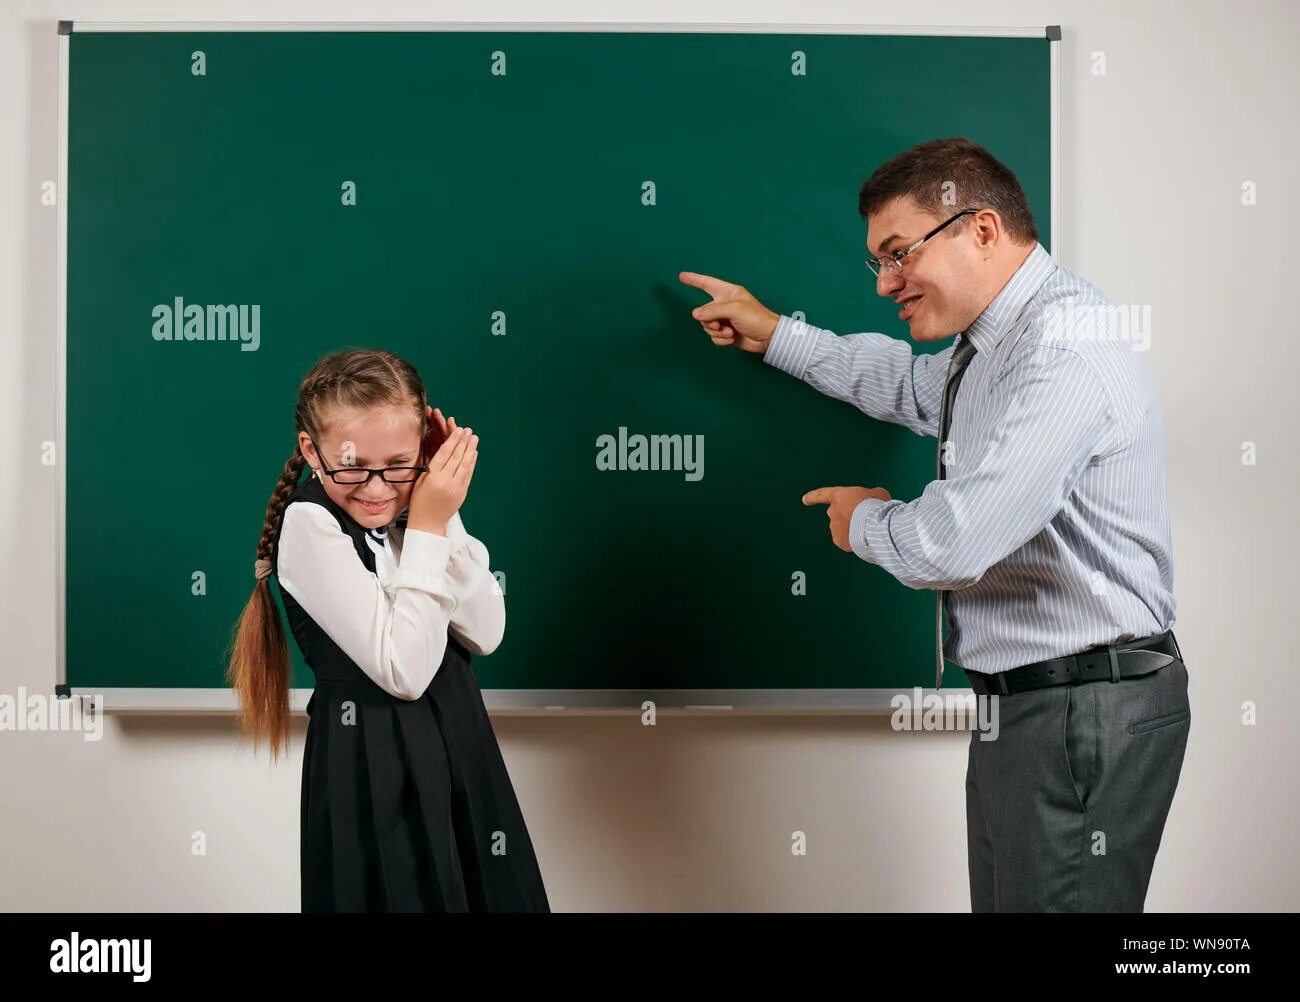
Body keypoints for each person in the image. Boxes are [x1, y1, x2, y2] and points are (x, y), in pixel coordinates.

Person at [679, 137, 1189, 912]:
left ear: (980, 230)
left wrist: (865, 521)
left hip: (1080, 713)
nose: (885, 282)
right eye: (876, 263)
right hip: (1032, 709)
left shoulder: (1064, 352)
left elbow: (954, 542)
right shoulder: (993, 348)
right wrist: (777, 332)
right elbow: (912, 387)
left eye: (898, 254)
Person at [225, 348, 549, 913]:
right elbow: (405, 670)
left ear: (424, 447)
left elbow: (485, 629)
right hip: (375, 763)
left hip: (460, 745)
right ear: (311, 450)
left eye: (399, 464)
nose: (376, 488)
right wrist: (426, 522)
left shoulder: (421, 505)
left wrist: (439, 514)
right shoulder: (309, 523)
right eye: (352, 466)